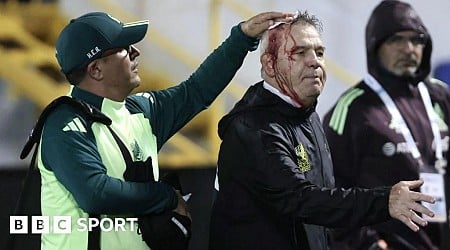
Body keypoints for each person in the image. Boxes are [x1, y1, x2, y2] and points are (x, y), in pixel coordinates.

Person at [30, 10, 295, 250]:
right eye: (123, 48)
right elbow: (95, 193)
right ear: (96, 69)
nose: (136, 52)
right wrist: (166, 197)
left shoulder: (140, 111)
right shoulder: (63, 124)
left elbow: (196, 91)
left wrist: (242, 37)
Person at [209, 10, 437, 250]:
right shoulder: (254, 129)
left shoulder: (304, 113)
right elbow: (303, 200)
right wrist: (385, 201)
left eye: (319, 52)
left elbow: (324, 204)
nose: (314, 61)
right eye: (299, 52)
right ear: (269, 63)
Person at [322, 1, 450, 249]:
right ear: (375, 46)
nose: (408, 49)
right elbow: (331, 191)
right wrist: (366, 243)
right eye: (396, 40)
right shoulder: (351, 109)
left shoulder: (440, 97)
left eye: (416, 40)